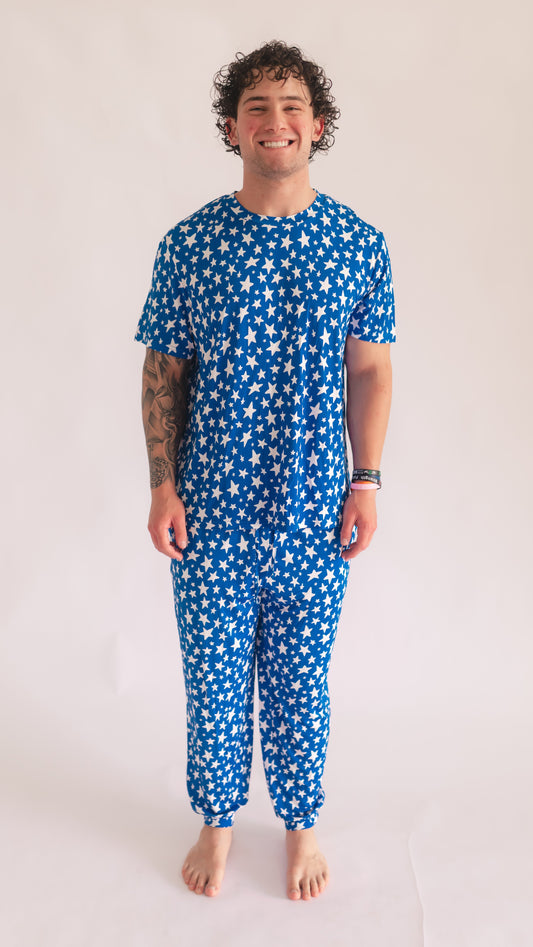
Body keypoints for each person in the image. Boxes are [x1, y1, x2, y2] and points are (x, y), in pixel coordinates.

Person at [135, 39, 395, 902]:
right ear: (230, 128)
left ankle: (299, 824)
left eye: (291, 106)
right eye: (256, 106)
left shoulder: (358, 244)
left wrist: (365, 482)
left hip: (314, 510)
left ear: (317, 126)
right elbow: (164, 369)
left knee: (299, 682)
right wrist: (162, 485)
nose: (274, 120)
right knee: (211, 680)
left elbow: (370, 370)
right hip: (209, 510)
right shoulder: (190, 244)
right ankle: (215, 821)